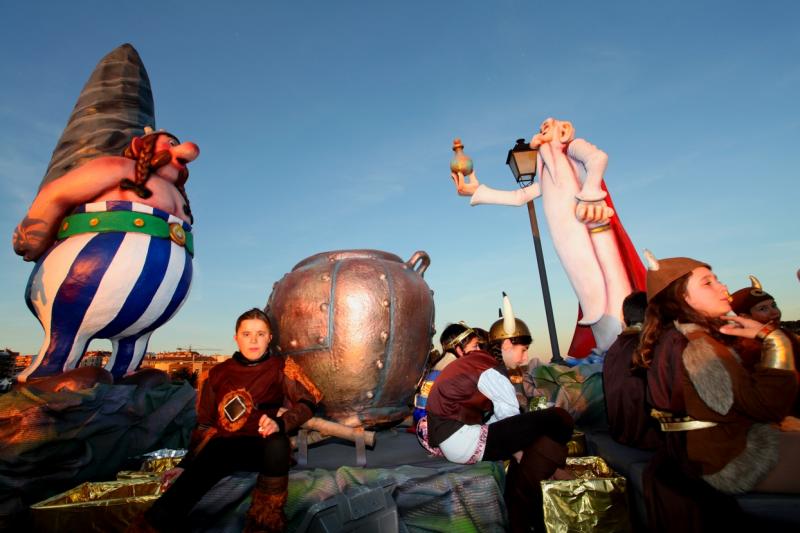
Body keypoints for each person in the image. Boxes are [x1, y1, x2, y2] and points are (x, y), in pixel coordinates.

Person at [133, 308, 322, 532]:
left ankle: (264, 523)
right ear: (236, 338)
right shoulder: (217, 373)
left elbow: (309, 400)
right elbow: (204, 424)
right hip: (224, 447)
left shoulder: (280, 367)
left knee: (278, 444)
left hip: (262, 446)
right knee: (188, 484)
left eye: (260, 334)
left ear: (269, 338)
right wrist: (185, 464)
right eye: (247, 334)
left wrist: (280, 424)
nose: (254, 340)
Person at [633, 253, 799, 496]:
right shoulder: (698, 345)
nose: (723, 287)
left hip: (696, 454)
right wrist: (774, 340)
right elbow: (766, 407)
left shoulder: (674, 337)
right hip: (729, 460)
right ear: (682, 297)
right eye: (707, 283)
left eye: (717, 280)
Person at [421, 294, 574, 533]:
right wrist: (523, 450)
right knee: (561, 419)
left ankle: (523, 498)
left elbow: (500, 419)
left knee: (535, 441)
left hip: (457, 437)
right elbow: (510, 415)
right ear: (506, 346)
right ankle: (527, 495)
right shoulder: (489, 368)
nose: (524, 358)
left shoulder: (477, 363)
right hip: (462, 439)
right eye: (522, 350)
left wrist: (522, 449)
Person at [602, 291, 661, 449]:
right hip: (647, 438)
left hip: (621, 433)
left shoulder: (615, 348)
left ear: (626, 318)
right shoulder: (648, 348)